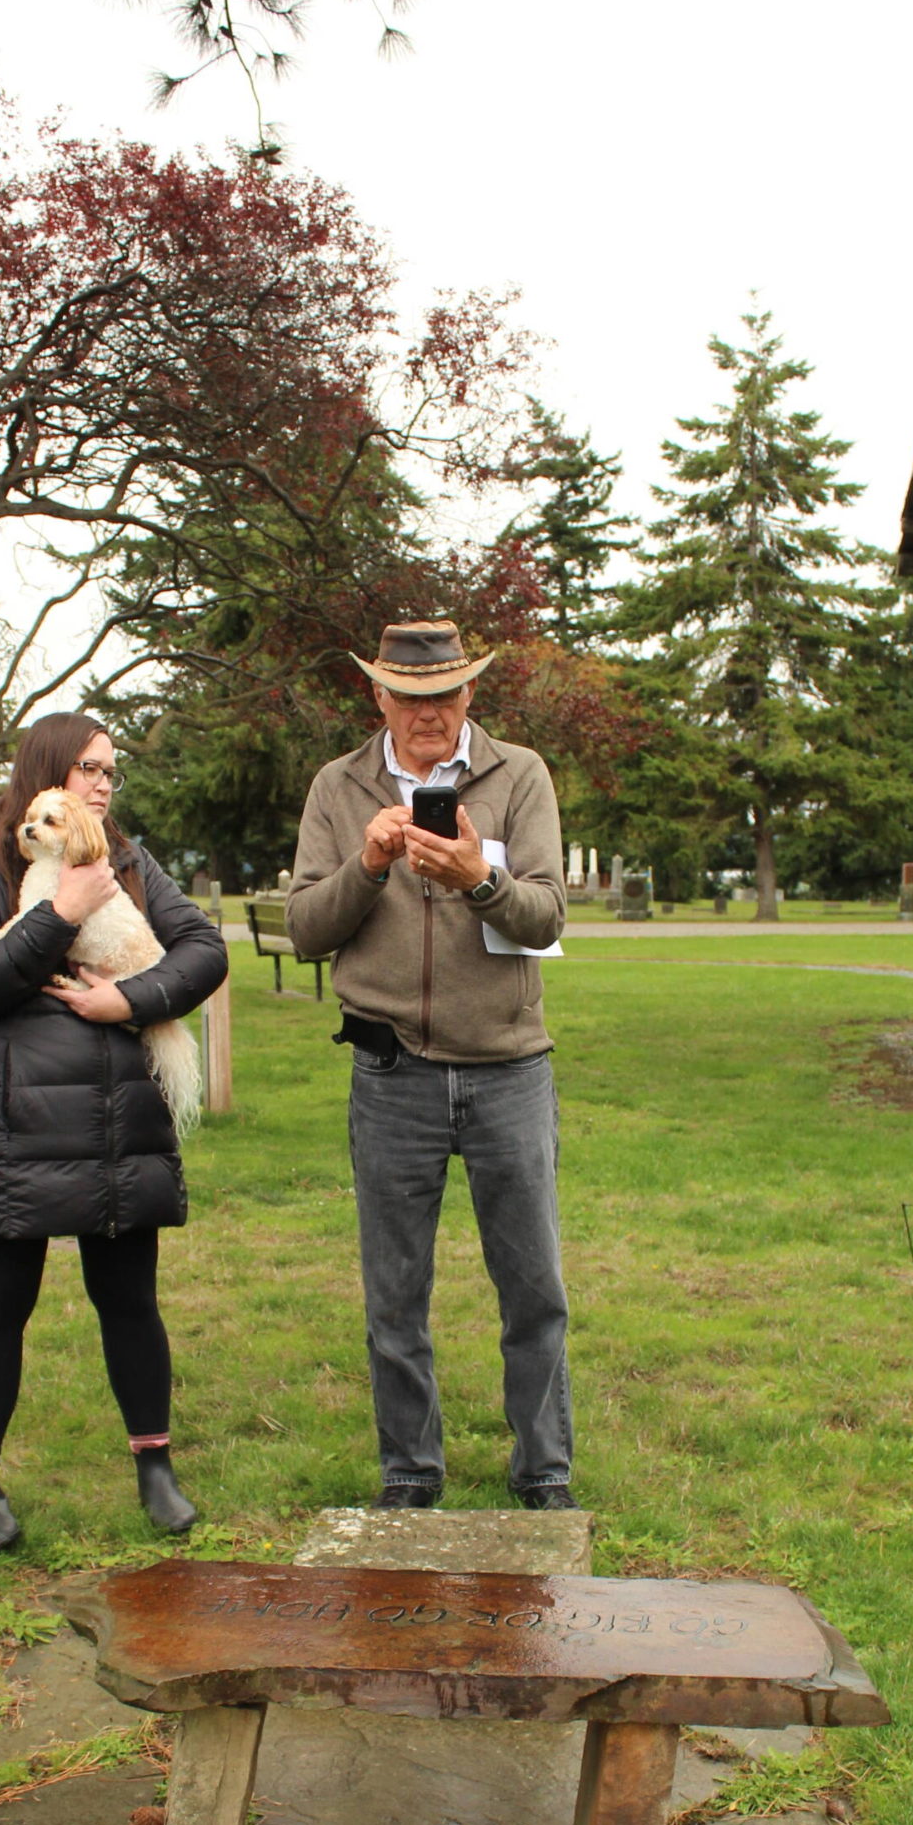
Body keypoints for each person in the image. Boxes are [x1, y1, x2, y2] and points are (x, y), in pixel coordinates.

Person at [285, 620, 574, 1511]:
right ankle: (410, 1473)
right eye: (408, 697)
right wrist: (367, 865)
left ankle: (543, 1472)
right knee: (394, 1296)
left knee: (532, 1290)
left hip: (506, 1070)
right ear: (377, 696)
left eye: (444, 694)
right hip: (389, 1076)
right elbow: (304, 929)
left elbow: (547, 915)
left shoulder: (518, 775)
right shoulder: (337, 788)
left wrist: (473, 878)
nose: (427, 714)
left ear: (470, 696)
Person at [0, 711, 227, 1549]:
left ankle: (155, 1466)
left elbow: (202, 948)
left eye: (109, 771)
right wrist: (60, 911)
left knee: (129, 1302)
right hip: (13, 1125)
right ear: (48, 771)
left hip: (114, 1123)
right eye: (88, 769)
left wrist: (126, 1000)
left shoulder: (124, 856)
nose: (102, 784)